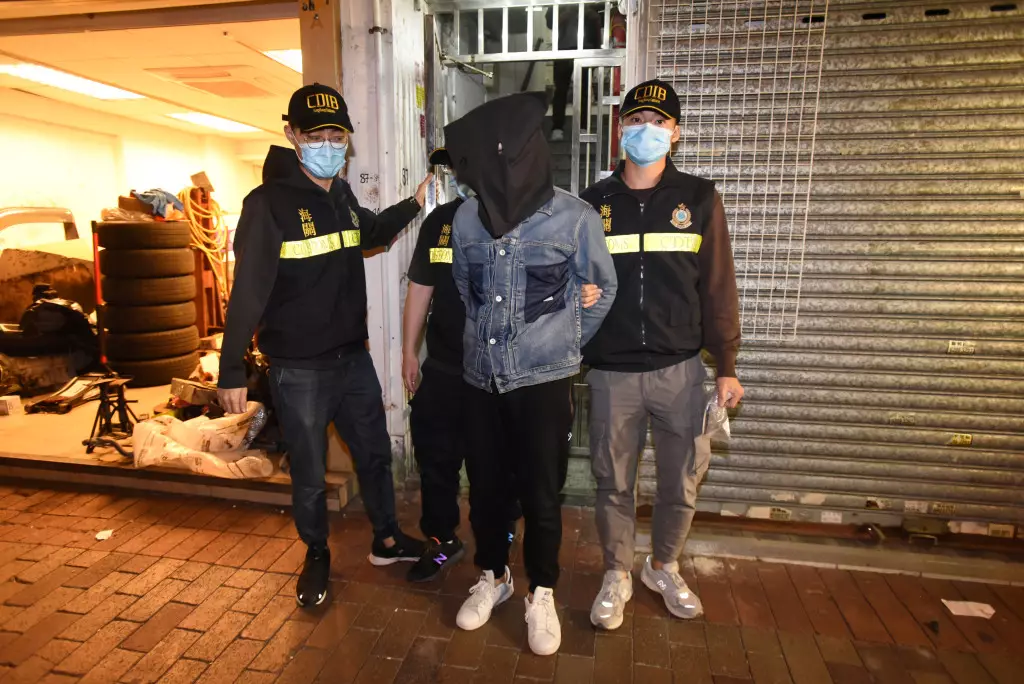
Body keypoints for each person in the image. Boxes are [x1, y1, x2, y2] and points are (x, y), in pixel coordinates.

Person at [218, 83, 433, 608]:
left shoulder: (340, 196)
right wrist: (229, 370)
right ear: (292, 134)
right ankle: (316, 552)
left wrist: (414, 203)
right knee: (310, 473)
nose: (329, 145)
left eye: (337, 136)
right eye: (317, 136)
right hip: (299, 370)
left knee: (375, 454)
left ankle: (386, 539)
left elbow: (370, 234)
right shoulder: (268, 205)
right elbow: (248, 292)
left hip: (352, 359)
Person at [445, 92, 618, 656]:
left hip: (543, 384)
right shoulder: (467, 217)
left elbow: (602, 288)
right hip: (480, 380)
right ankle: (493, 575)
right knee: (486, 490)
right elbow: (465, 289)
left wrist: (561, 345)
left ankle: (541, 590)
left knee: (542, 495)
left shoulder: (575, 218)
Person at [579, 79, 744, 630]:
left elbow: (718, 288)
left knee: (681, 482)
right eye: (635, 120)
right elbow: (567, 279)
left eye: (657, 121)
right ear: (619, 129)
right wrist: (576, 295)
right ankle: (616, 572)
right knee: (613, 482)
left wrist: (727, 366)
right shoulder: (592, 205)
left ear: (675, 133)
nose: (645, 130)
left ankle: (663, 566)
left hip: (680, 372)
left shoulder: (698, 199)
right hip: (612, 372)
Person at [402, 148, 605, 584]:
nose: (459, 175)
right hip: (447, 364)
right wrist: (408, 352)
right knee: (436, 459)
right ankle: (442, 540)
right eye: (451, 168)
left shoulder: (537, 221)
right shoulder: (444, 223)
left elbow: (582, 287)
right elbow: (421, 286)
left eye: (464, 166)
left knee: (508, 466)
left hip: (507, 373)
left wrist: (560, 347)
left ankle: (503, 538)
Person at [546, 4, 602, 141]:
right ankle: (558, 127)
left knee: (583, 91)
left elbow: (600, 19)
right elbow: (549, 22)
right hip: (563, 50)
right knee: (561, 91)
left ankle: (581, 126)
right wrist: (561, 16)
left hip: (585, 49)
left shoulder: (589, 6)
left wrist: (590, 14)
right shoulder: (560, 4)